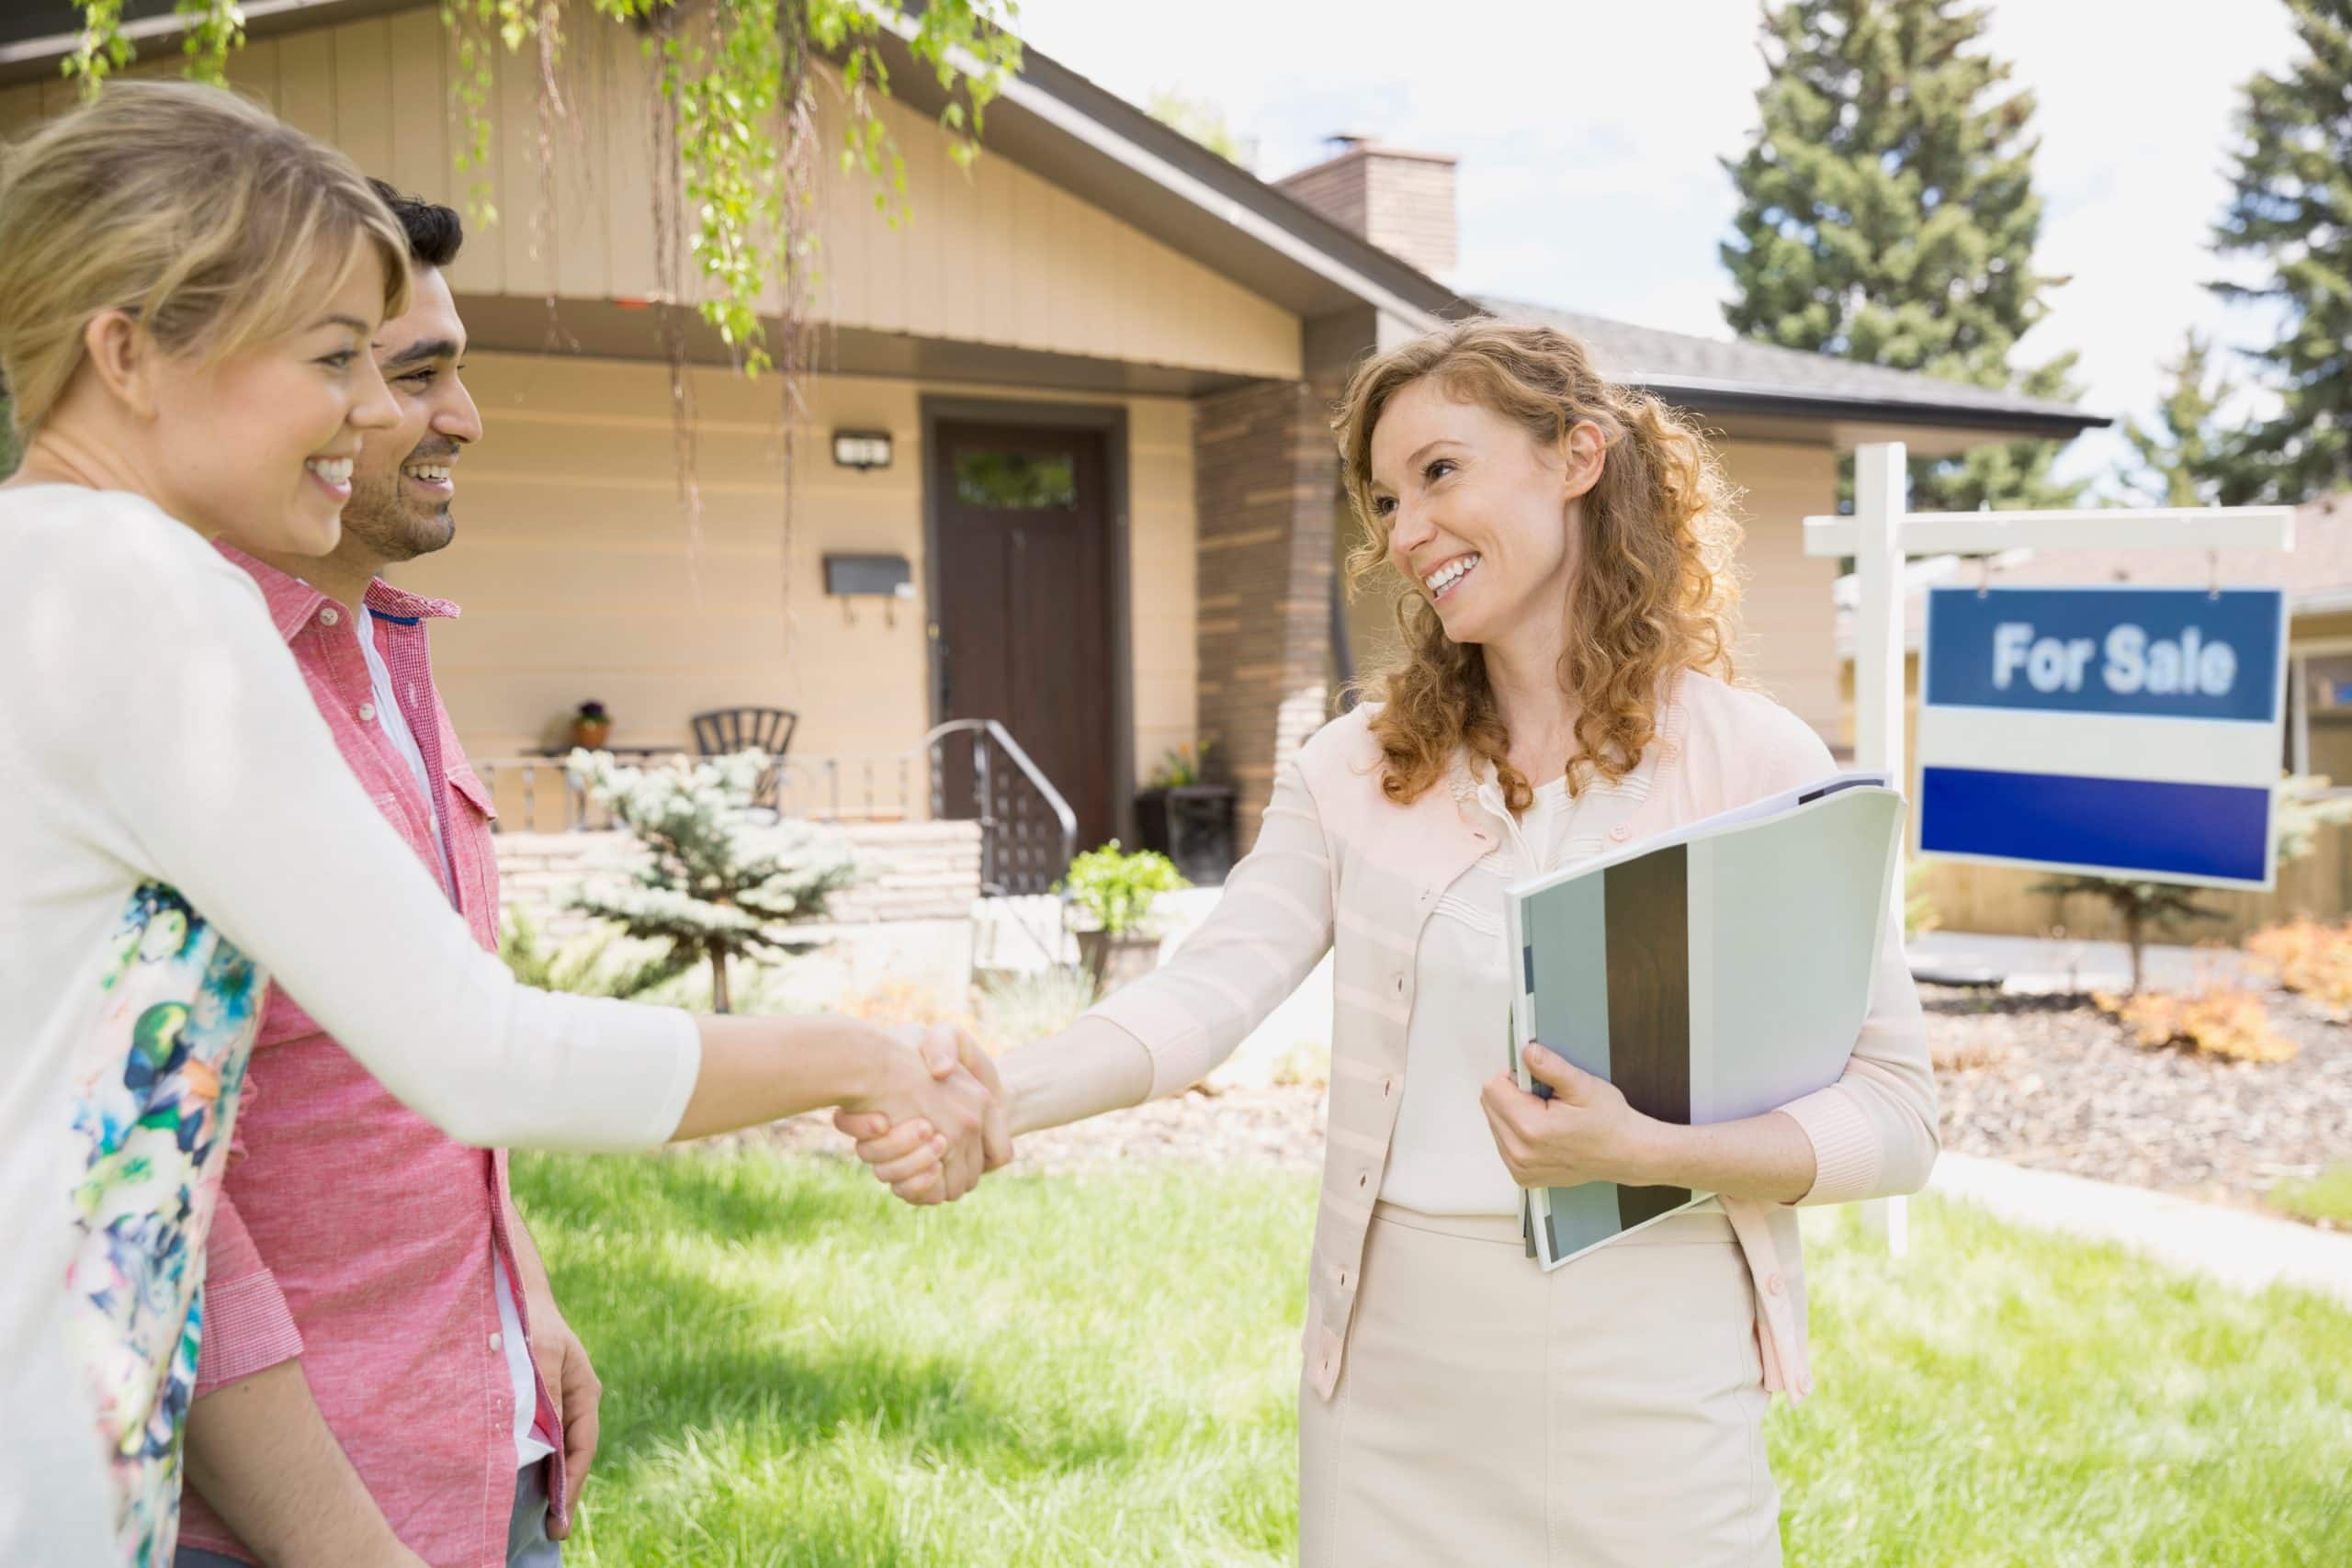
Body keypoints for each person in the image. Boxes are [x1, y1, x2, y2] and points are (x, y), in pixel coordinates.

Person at [0, 82, 1001, 1568]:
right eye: (333, 358)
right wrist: (861, 1054)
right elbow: (484, 1053)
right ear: (129, 353)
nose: (370, 410)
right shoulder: (151, 602)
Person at [842, 319, 1938, 1564]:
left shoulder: (1759, 764)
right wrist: (1003, 1094)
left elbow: (1898, 1115)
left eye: (1440, 473)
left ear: (1577, 456)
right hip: (1401, 1386)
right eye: (1383, 499)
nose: (1405, 530)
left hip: (1655, 1369)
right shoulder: (1357, 768)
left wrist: (1647, 1148)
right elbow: (1209, 990)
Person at [165, 181, 598, 1568]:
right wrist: (338, 1545)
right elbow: (170, 1191)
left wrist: (519, 1292)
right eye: (416, 374)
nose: (462, 418)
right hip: (286, 1523)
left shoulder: (390, 651)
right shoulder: (183, 690)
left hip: (490, 1451)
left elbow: (428, 1053)